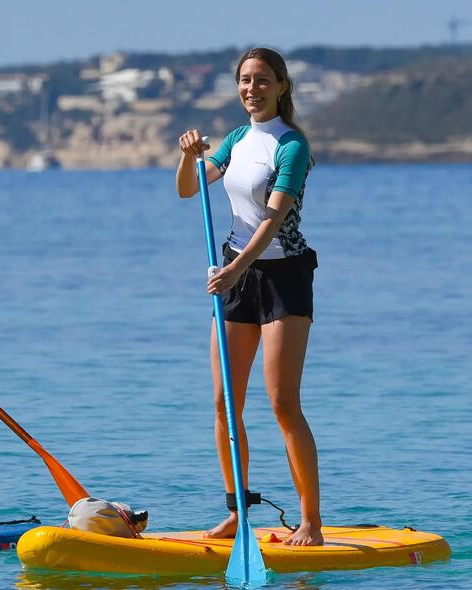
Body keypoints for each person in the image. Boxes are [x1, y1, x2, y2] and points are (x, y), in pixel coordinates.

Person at [172, 47, 325, 546]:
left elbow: (273, 219)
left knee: (282, 404)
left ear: (281, 86)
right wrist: (189, 156)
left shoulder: (292, 146)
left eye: (262, 80)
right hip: (237, 273)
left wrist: (236, 269)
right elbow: (187, 191)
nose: (251, 88)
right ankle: (238, 512)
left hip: (283, 277)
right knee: (223, 402)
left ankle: (310, 522)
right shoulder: (237, 139)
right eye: (244, 80)